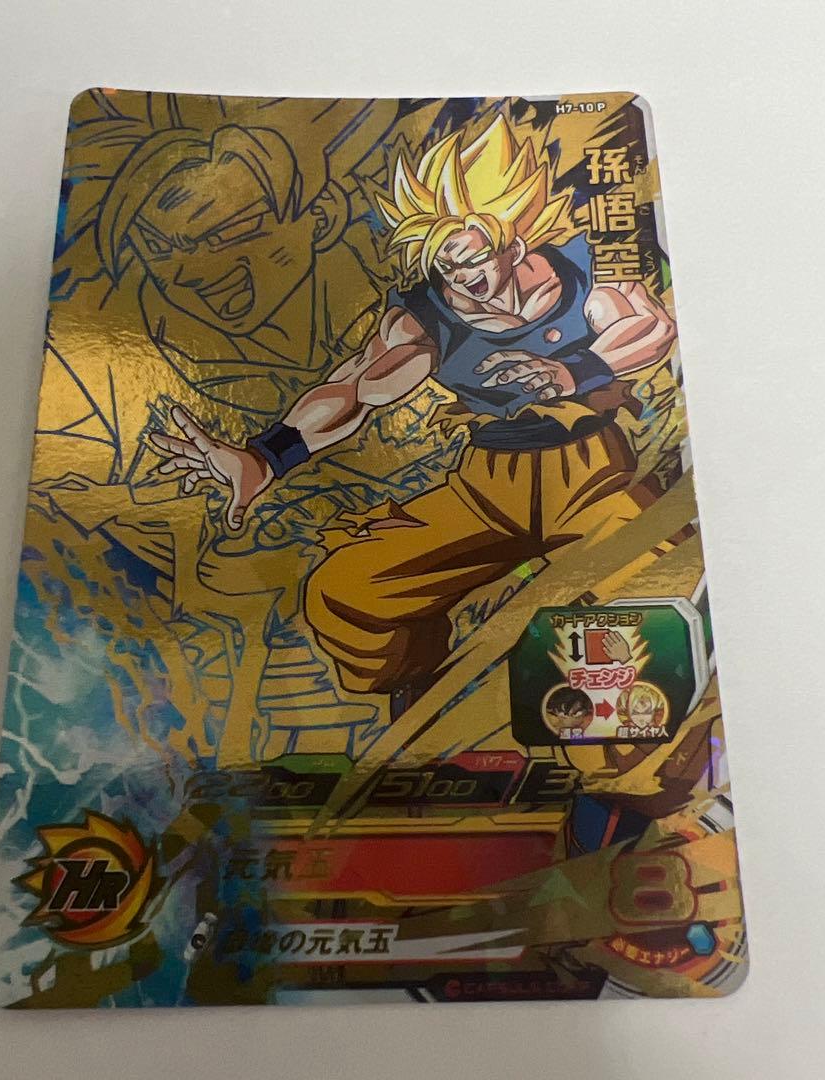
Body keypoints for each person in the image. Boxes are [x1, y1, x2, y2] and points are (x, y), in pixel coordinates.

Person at [151, 114, 676, 717]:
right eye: (446, 266)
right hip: (485, 490)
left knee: (651, 577)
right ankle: (423, 699)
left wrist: (570, 374)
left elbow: (649, 329)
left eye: (473, 259)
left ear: (513, 243)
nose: (463, 280)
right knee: (346, 595)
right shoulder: (426, 318)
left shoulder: (583, 271)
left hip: (591, 476)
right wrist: (266, 457)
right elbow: (354, 388)